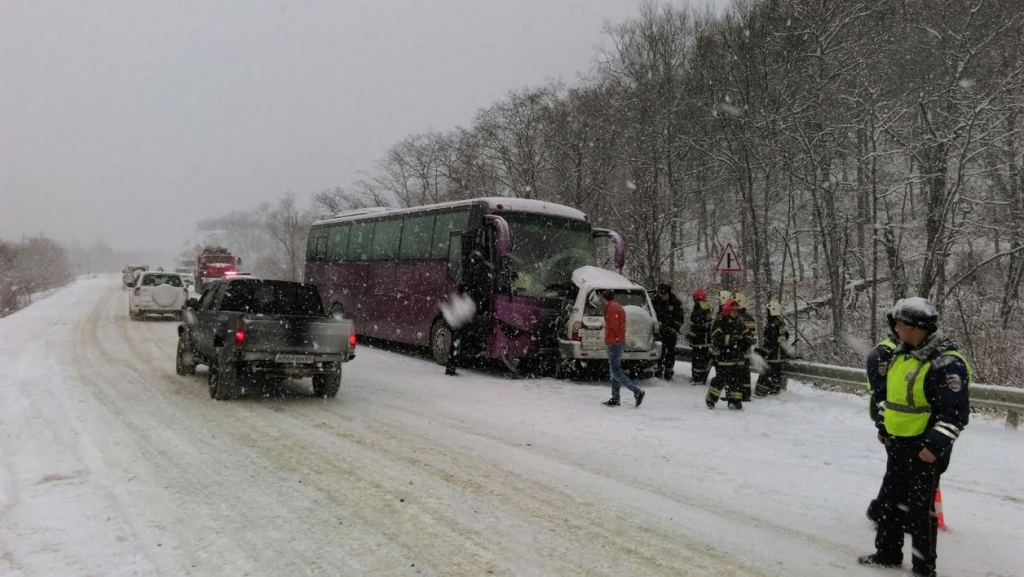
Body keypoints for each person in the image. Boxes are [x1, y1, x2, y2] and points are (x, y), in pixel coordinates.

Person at [858, 297, 970, 577]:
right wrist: (884, 427)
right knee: (891, 504)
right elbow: (890, 398)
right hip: (898, 443)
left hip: (924, 447)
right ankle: (887, 553)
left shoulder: (946, 362)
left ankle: (923, 569)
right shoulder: (902, 352)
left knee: (920, 513)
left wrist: (933, 446)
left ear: (915, 327)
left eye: (899, 324)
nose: (895, 328)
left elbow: (955, 413)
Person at [865, 312, 900, 524]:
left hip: (901, 419)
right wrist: (883, 423)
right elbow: (881, 392)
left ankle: (888, 510)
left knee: (899, 471)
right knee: (897, 471)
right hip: (891, 416)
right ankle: (882, 511)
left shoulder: (905, 349)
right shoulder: (885, 352)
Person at [445, 249, 492, 376]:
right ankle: (460, 361)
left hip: (462, 308)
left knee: (456, 338)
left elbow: (461, 288)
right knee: (465, 335)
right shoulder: (483, 272)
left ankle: (452, 365)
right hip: (470, 308)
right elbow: (481, 291)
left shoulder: (468, 272)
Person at [706, 298, 754, 410]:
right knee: (720, 379)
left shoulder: (740, 322)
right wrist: (732, 340)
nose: (735, 313)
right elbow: (715, 337)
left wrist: (747, 340)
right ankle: (711, 399)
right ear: (727, 310)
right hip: (723, 357)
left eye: (736, 311)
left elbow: (747, 334)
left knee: (737, 380)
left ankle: (735, 401)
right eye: (732, 310)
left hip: (737, 358)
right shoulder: (720, 321)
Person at [600, 290, 646, 407]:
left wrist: (609, 340)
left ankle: (637, 392)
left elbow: (613, 327)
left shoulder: (612, 308)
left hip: (614, 343)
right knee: (614, 370)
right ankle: (615, 397)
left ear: (605, 298)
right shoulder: (616, 306)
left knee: (616, 372)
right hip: (618, 342)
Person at [754, 300, 789, 397]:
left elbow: (771, 342)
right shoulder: (782, 324)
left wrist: (762, 352)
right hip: (779, 355)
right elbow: (784, 339)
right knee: (776, 373)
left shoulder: (771, 325)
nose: (767, 313)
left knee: (766, 372)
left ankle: (761, 391)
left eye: (768, 311)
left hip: (772, 355)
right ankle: (774, 389)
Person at [652, 283, 685, 380]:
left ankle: (669, 369)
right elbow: (652, 315)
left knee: (670, 351)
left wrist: (675, 327)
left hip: (671, 331)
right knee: (659, 349)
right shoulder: (655, 302)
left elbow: (680, 317)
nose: (663, 297)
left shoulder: (675, 302)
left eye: (665, 295)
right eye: (661, 295)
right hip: (659, 331)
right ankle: (658, 368)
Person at [685, 289, 713, 385]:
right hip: (702, 340)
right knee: (699, 359)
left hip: (700, 340)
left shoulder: (700, 308)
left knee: (698, 360)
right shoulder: (704, 307)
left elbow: (698, 326)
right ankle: (697, 377)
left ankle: (698, 378)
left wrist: (691, 335)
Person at [733, 292, 757, 402]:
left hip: (739, 349)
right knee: (745, 372)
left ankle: (740, 394)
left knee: (739, 373)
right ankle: (746, 394)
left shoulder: (739, 318)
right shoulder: (749, 318)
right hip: (746, 350)